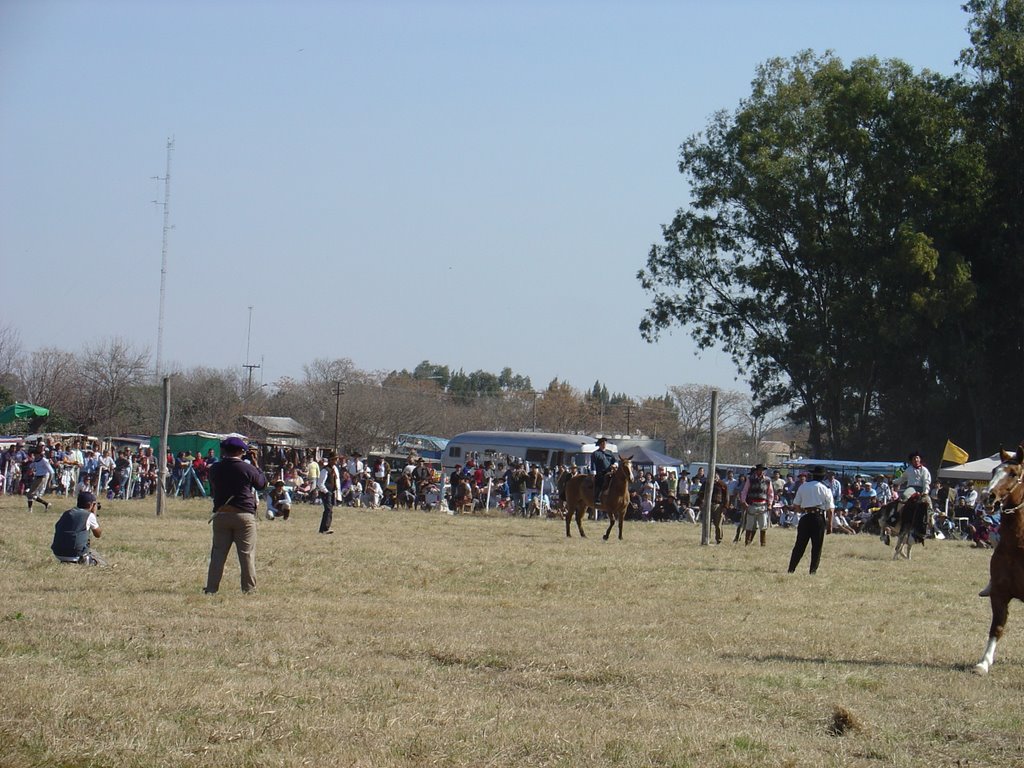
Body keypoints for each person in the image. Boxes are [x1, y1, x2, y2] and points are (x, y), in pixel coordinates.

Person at [204, 437, 267, 594]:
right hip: (243, 515)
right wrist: (256, 464)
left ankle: (211, 588)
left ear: (224, 450)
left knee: (218, 554)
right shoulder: (247, 468)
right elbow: (262, 485)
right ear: (241, 451)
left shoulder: (215, 468)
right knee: (246, 555)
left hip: (221, 514)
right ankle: (249, 589)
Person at [788, 466, 835, 574]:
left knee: (799, 545)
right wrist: (830, 525)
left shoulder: (803, 487)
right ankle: (812, 571)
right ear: (823, 477)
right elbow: (830, 510)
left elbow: (796, 505)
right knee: (817, 546)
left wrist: (803, 511)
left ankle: (791, 569)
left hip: (805, 517)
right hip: (818, 518)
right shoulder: (825, 489)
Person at [51, 490, 107, 565]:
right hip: (76, 553)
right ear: (90, 504)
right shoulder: (88, 515)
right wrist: (93, 514)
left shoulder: (67, 513)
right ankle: (85, 561)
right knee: (101, 562)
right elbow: (98, 534)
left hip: (58, 552)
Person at [739, 464, 774, 546]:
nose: (761, 471)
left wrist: (770, 504)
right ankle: (747, 543)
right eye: (759, 469)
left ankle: (763, 543)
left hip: (763, 505)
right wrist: (743, 501)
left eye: (762, 470)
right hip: (752, 504)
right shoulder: (750, 479)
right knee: (749, 525)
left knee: (763, 525)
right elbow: (744, 491)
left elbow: (770, 493)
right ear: (756, 470)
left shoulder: (768, 480)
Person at [317, 453, 341, 533]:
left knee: (329, 510)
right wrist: (326, 492)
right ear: (331, 460)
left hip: (332, 492)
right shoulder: (325, 470)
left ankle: (323, 529)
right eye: (335, 459)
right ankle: (325, 528)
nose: (336, 461)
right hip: (326, 492)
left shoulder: (334, 469)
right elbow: (320, 483)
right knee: (328, 510)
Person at [591, 437, 616, 505]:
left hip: (610, 471)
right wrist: (594, 473)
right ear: (600, 444)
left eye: (605, 443)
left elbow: (615, 461)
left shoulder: (609, 452)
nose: (604, 444)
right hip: (600, 473)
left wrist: (615, 465)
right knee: (600, 482)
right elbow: (593, 464)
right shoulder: (595, 453)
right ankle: (597, 497)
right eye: (602, 443)